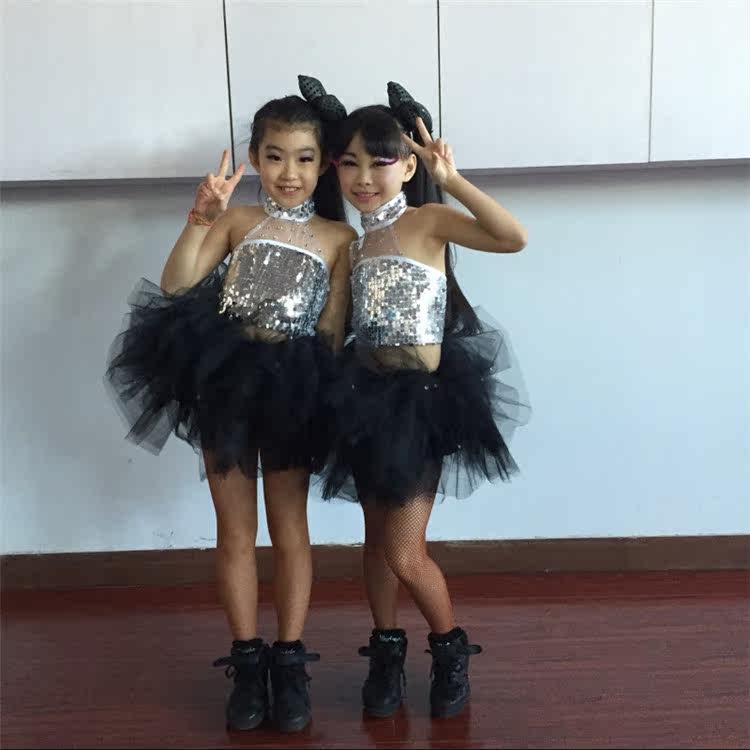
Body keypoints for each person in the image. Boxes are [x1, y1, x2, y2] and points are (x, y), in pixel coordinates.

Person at [105, 76, 355, 733]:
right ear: (254, 158)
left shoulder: (338, 238)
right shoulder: (239, 221)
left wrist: (322, 395)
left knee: (290, 527)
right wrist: (201, 217)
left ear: (323, 163)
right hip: (229, 384)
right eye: (275, 156)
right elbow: (176, 284)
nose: (289, 173)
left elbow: (332, 330)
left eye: (304, 158)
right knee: (235, 530)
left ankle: (289, 661)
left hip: (297, 388)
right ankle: (247, 662)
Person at [321, 81, 530, 719]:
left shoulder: (426, 222)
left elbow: (512, 237)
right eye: (349, 163)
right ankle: (386, 651)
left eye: (378, 162)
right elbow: (337, 326)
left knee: (404, 550)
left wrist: (453, 178)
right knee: (374, 542)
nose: (363, 178)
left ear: (408, 168)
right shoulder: (352, 244)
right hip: (364, 400)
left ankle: (449, 648)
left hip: (421, 406)